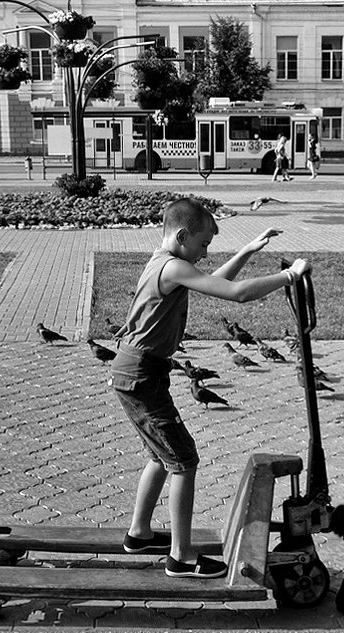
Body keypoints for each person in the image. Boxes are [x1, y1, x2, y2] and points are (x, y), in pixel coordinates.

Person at [111, 198, 311, 579]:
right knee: (184, 461)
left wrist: (249, 249)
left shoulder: (166, 262)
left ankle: (138, 534)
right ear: (183, 235)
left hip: (137, 373)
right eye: (202, 245)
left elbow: (217, 282)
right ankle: (181, 558)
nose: (204, 253)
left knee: (161, 456)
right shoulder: (172, 268)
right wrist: (290, 277)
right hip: (141, 377)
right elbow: (235, 293)